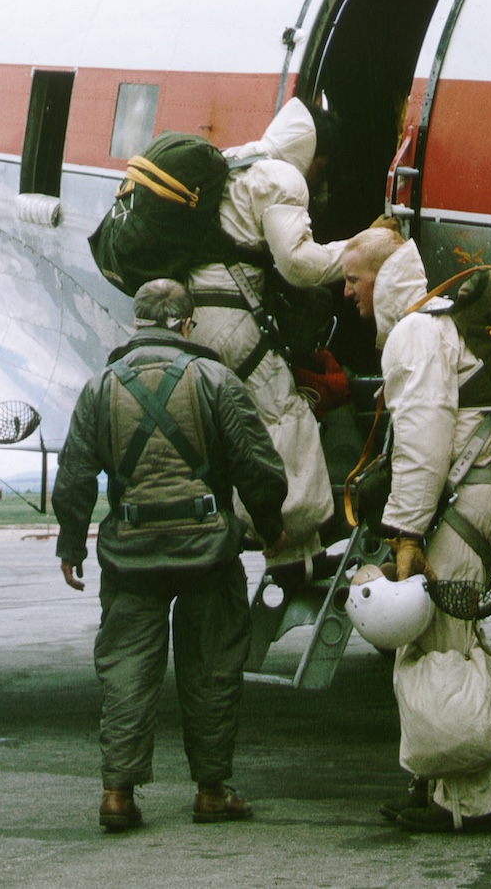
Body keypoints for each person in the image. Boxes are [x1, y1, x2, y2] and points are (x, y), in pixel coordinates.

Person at [51, 279, 289, 831]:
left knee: (126, 668)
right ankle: (210, 791)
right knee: (211, 669)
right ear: (187, 325)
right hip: (207, 549)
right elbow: (259, 466)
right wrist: (272, 527)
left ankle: (117, 792)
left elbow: (75, 477)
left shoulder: (100, 388)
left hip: (130, 553)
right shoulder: (216, 380)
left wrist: (70, 544)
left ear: (136, 324)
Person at [341, 226, 491, 833]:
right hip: (489, 495)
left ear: (384, 274)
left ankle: (471, 805)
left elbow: (422, 442)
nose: (346, 292)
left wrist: (404, 535)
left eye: (353, 279)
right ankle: (443, 792)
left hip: (472, 502)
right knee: (449, 637)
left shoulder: (415, 333)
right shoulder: (434, 325)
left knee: (442, 644)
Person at [184, 98, 347, 583]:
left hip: (199, 315)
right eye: (323, 166)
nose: (320, 177)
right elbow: (297, 264)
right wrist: (363, 250)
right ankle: (291, 550)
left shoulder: (237, 160)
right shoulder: (283, 178)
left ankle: (267, 539)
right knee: (285, 413)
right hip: (232, 321)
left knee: (234, 424)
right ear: (314, 155)